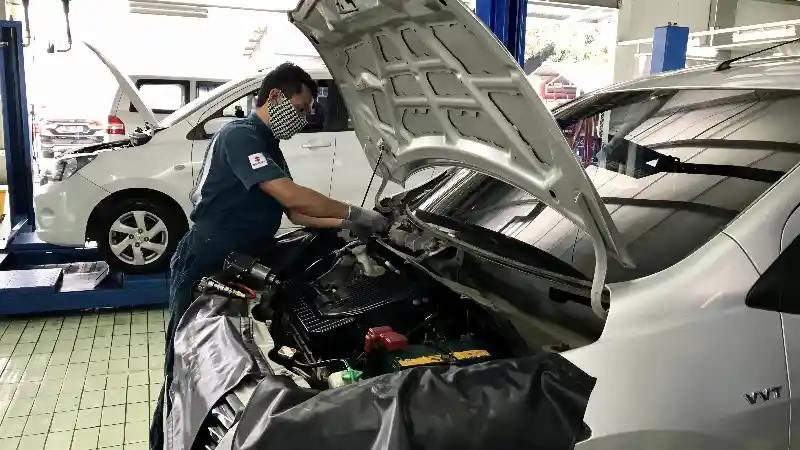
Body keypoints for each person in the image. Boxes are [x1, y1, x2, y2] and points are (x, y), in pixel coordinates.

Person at [149, 62, 389, 450]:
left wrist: (346, 226)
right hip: (206, 257)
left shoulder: (268, 144)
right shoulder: (240, 135)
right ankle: (165, 442)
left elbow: (295, 214)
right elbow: (291, 196)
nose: (304, 118)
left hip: (236, 259)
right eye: (302, 107)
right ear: (275, 96)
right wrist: (356, 213)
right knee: (186, 364)